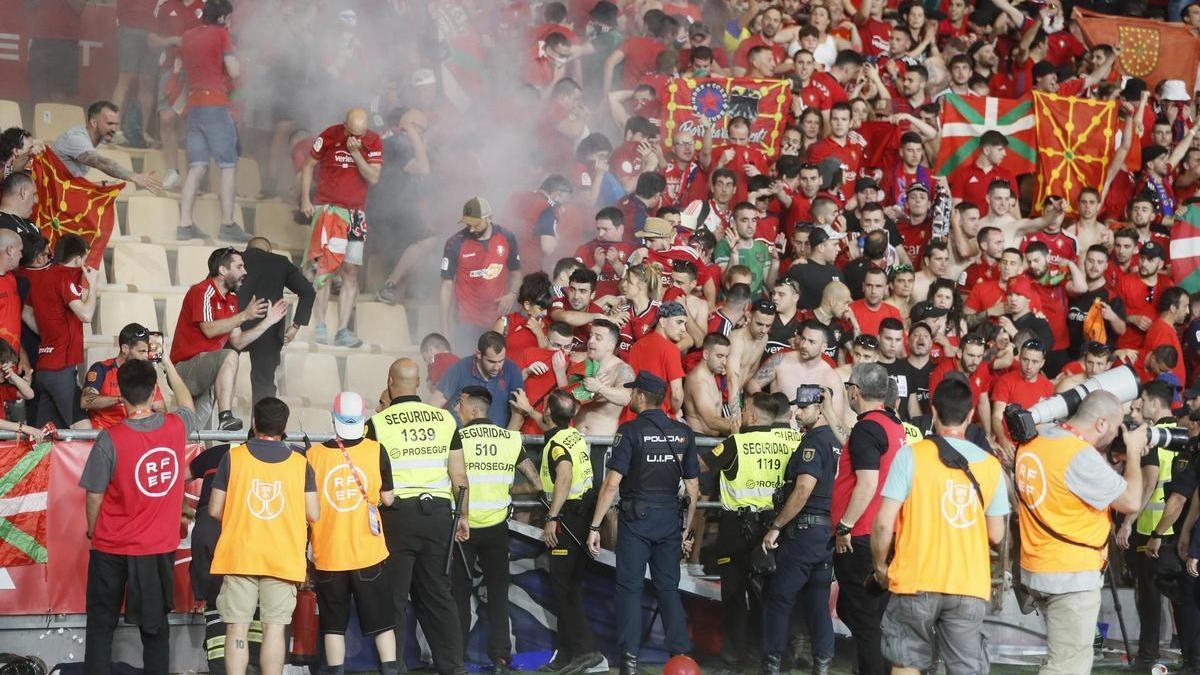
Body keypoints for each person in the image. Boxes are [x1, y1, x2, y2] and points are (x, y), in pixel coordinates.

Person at [871, 378, 1009, 675]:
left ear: (932, 411)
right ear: (971, 415)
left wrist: (880, 565)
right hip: (968, 583)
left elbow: (883, 523)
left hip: (915, 579)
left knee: (906, 661)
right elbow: (996, 534)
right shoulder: (990, 465)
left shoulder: (910, 455)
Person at [1013, 390, 1149, 674]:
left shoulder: (1036, 437)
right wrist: (1134, 454)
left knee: (1060, 657)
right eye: (1115, 428)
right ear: (1101, 424)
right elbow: (1131, 501)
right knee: (1067, 667)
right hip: (1070, 577)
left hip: (1037, 567)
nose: (1117, 435)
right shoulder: (1078, 456)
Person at [80, 355, 197, 673]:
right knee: (155, 629)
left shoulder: (110, 439)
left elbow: (94, 494)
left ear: (123, 394)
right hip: (156, 548)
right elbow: (187, 403)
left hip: (110, 546)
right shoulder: (176, 427)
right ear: (154, 389)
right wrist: (169, 366)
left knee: (101, 627)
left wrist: (93, 530)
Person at [586, 372, 699, 675]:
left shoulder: (629, 431)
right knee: (668, 589)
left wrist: (595, 526)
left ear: (639, 396)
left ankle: (629, 660)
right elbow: (693, 490)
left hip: (637, 519)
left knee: (629, 588)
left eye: (632, 392)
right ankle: (680, 657)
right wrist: (687, 529)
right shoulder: (683, 433)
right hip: (670, 520)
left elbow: (611, 483)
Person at [369, 358, 470, 675]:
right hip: (439, 515)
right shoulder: (445, 420)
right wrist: (462, 517)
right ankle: (453, 667)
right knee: (439, 595)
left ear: (390, 381)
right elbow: (460, 476)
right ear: (419, 383)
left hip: (397, 515)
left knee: (395, 596)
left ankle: (394, 667)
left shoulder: (378, 423)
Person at [208, 398, 319, 675]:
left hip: (240, 554)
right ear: (284, 427)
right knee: (274, 628)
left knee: (237, 627)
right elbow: (313, 513)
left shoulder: (233, 458)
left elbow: (214, 509)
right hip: (282, 558)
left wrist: (240, 518)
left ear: (254, 423)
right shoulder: (299, 463)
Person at [307, 392, 402, 675]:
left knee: (333, 626)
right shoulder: (376, 450)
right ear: (362, 420)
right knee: (383, 623)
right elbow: (388, 499)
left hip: (328, 556)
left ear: (333, 418)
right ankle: (390, 670)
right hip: (368, 554)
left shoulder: (312, 455)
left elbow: (307, 506)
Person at [699, 392, 794, 668]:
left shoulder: (737, 443)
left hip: (736, 528)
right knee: (771, 594)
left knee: (734, 593)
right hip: (772, 527)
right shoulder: (787, 444)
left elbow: (699, 466)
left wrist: (734, 433)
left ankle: (733, 657)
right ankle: (771, 654)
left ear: (751, 416)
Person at [451, 386, 540, 675]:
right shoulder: (510, 439)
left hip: (463, 528)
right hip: (497, 528)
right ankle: (501, 659)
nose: (457, 410)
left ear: (474, 410)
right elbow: (535, 480)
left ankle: (456, 660)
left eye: (460, 405)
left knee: (459, 595)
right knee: (499, 595)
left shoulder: (457, 439)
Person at [830, 363, 907, 675]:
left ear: (855, 391)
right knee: (864, 614)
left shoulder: (867, 428)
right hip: (886, 533)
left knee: (865, 621)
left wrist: (844, 527)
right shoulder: (894, 424)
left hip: (861, 536)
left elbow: (867, 483)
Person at [760, 385, 839, 675]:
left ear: (820, 408)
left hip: (805, 531)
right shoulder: (837, 442)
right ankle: (823, 664)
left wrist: (776, 526)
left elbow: (803, 489)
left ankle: (772, 665)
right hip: (826, 533)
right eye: (797, 406)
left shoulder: (813, 444)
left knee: (780, 599)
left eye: (804, 407)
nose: (797, 411)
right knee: (818, 604)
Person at [171, 247, 288, 430]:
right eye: (239, 267)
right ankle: (225, 416)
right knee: (230, 355)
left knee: (194, 434)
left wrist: (267, 322)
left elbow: (238, 341)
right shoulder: (202, 291)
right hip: (184, 370)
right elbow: (209, 330)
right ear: (222, 270)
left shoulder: (231, 299)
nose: (245, 272)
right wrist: (244, 316)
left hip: (206, 373)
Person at [299, 108, 383, 347]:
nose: (357, 138)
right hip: (328, 211)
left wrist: (356, 154)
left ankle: (343, 330)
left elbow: (373, 177)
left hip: (356, 215)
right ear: (345, 126)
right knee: (323, 270)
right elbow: (307, 166)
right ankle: (321, 325)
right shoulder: (329, 135)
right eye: (353, 133)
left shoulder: (373, 141)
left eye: (361, 133)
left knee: (351, 271)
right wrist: (305, 199)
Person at [1119, 380, 1188, 670]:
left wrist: (1126, 522)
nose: (1140, 405)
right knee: (1182, 600)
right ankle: (1191, 656)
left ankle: (1147, 658)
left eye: (1143, 400)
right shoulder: (1184, 434)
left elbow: (1147, 485)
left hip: (1150, 532)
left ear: (1155, 404)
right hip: (1177, 529)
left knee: (1149, 599)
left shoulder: (1150, 437)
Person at [540, 389, 606, 674]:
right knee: (570, 587)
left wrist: (552, 517)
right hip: (583, 517)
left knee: (564, 589)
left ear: (547, 412)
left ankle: (585, 650)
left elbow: (564, 477)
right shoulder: (575, 434)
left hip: (567, 519)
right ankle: (567, 654)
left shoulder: (556, 443)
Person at [177, 0, 251, 243]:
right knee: (228, 165)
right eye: (229, 18)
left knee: (197, 167)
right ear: (222, 18)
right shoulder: (221, 34)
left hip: (194, 105)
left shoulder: (188, 35)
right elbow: (234, 71)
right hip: (215, 105)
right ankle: (227, 224)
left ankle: (184, 224)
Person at [19, 232, 97, 427]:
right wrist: (93, 285)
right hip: (61, 369)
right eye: (84, 259)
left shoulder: (41, 278)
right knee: (84, 431)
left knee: (47, 439)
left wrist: (48, 334)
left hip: (44, 369)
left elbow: (26, 313)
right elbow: (86, 315)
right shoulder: (65, 278)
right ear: (78, 258)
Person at [237, 237, 315, 405]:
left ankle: (211, 427)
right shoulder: (279, 262)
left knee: (221, 378)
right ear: (269, 251)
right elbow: (308, 292)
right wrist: (295, 326)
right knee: (263, 385)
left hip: (233, 325)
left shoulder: (234, 259)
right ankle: (263, 429)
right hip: (268, 331)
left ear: (247, 249)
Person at [440, 197, 523, 351]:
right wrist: (445, 330)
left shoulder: (507, 237)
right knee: (467, 366)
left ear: (489, 218)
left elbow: (516, 274)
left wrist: (512, 294)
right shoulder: (454, 243)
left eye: (476, 225)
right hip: (466, 321)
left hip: (497, 320)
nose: (471, 229)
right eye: (467, 224)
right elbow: (446, 286)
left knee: (495, 367)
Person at [51, 100, 161, 189]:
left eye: (116, 124)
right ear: (93, 123)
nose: (114, 129)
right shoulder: (77, 138)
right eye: (109, 124)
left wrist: (99, 184)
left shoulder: (96, 137)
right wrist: (133, 176)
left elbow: (72, 182)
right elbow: (101, 162)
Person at [431, 331, 525, 429]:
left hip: (498, 439)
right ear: (478, 354)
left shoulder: (512, 370)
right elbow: (434, 404)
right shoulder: (459, 369)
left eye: (501, 361)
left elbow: (518, 415)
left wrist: (506, 442)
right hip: (462, 439)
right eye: (491, 361)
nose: (497, 367)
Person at [81, 323, 166, 429]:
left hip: (136, 432)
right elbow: (85, 401)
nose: (146, 356)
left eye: (147, 352)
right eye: (142, 351)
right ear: (125, 348)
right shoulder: (101, 369)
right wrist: (122, 398)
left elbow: (160, 409)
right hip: (104, 433)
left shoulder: (146, 372)